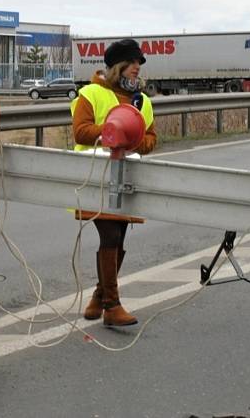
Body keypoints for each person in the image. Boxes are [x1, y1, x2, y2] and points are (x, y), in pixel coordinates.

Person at [71, 39, 157, 326]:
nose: (137, 68)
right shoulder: (91, 94)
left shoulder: (142, 101)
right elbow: (81, 133)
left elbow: (151, 139)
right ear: (118, 66)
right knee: (109, 236)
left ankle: (99, 294)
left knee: (118, 238)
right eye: (133, 62)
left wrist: (134, 141)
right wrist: (113, 132)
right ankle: (112, 304)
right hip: (95, 176)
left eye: (139, 64)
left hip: (129, 177)